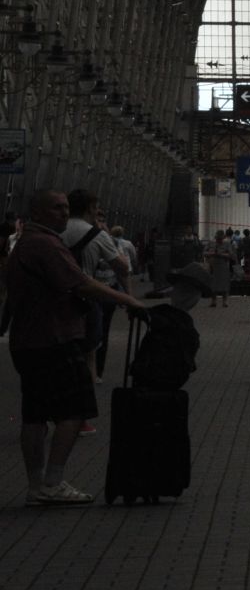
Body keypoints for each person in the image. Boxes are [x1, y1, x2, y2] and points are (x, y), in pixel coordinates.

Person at [6, 189, 151, 504]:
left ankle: (36, 486)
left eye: (66, 207)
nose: (63, 213)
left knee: (34, 415)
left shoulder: (25, 243)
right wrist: (127, 300)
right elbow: (81, 283)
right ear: (38, 213)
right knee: (74, 410)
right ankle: (53, 481)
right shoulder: (45, 245)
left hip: (28, 341)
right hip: (54, 339)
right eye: (57, 208)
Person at [64, 191, 128, 390]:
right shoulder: (97, 234)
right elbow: (122, 268)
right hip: (86, 298)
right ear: (90, 208)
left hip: (55, 299)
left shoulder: (54, 230)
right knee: (89, 353)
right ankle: (84, 406)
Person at [206, 230, 235, 308]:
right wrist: (211, 254)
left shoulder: (227, 244)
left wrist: (222, 254)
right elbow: (204, 252)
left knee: (224, 284)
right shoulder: (211, 243)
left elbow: (231, 255)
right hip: (213, 266)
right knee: (213, 283)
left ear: (223, 237)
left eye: (220, 239)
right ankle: (213, 301)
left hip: (224, 266)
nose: (219, 240)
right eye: (218, 239)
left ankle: (225, 301)